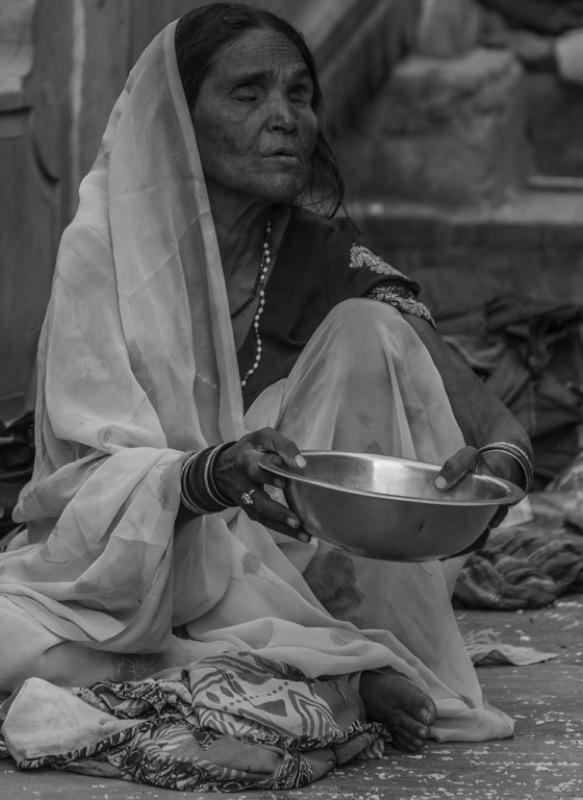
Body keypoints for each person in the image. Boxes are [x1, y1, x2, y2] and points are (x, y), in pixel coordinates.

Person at [0, 3, 533, 792]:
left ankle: (340, 653)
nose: (285, 119)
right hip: (149, 558)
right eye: (247, 95)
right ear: (179, 118)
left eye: (296, 94)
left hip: (309, 557)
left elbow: (488, 416)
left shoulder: (322, 249)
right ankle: (339, 678)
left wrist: (497, 466)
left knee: (369, 329)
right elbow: (80, 474)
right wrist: (208, 474)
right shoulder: (103, 251)